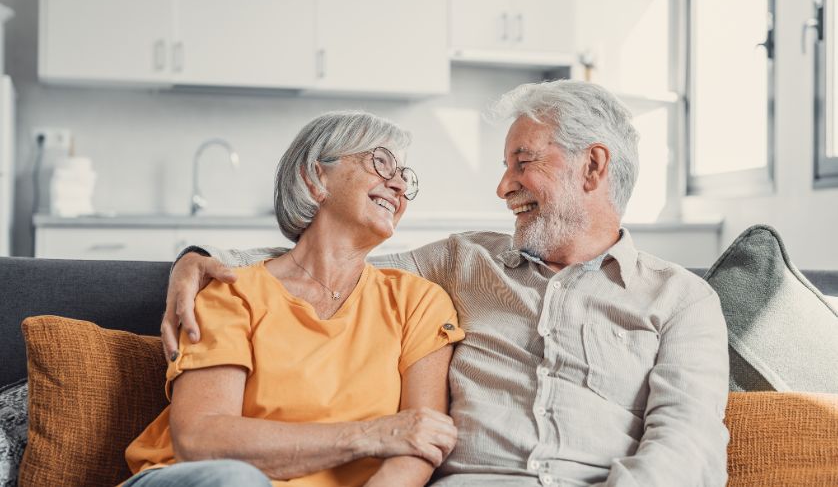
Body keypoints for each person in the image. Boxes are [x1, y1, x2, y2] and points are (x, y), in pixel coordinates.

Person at [163, 80, 730, 486]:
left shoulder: (681, 299)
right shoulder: (460, 263)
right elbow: (329, 260)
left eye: (522, 162)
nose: (503, 186)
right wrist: (203, 257)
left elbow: (686, 443)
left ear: (593, 167)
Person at [125, 111, 465, 487]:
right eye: (381, 163)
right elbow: (200, 441)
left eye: (404, 176)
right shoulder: (233, 291)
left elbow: (418, 447)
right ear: (315, 177)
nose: (398, 185)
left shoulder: (418, 302)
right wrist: (372, 434)